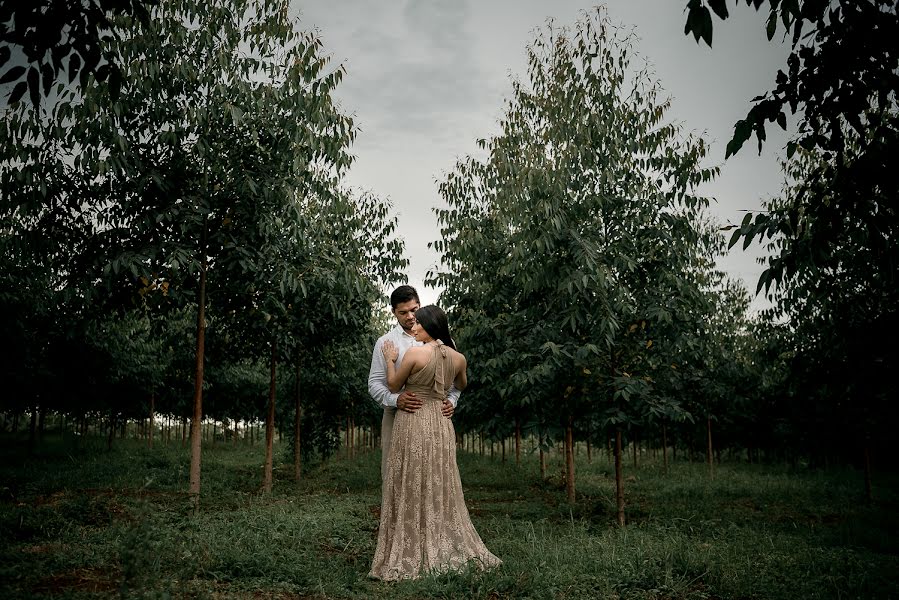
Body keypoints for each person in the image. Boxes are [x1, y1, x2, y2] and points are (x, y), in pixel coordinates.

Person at [369, 305, 501, 581]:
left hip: (414, 419)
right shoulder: (458, 357)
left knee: (410, 480)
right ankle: (437, 538)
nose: (413, 328)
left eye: (418, 324)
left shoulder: (415, 353)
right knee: (439, 482)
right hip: (441, 423)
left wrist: (391, 358)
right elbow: (461, 385)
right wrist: (445, 397)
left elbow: (393, 386)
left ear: (430, 327)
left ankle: (411, 546)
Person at [368, 286, 457, 476]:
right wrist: (396, 400)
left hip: (436, 417)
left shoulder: (443, 341)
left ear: (420, 306)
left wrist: (453, 400)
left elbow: (456, 380)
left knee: (434, 473)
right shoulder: (385, 342)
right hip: (397, 416)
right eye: (403, 312)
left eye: (413, 310)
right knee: (395, 472)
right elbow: (374, 384)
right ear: (394, 313)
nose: (409, 316)